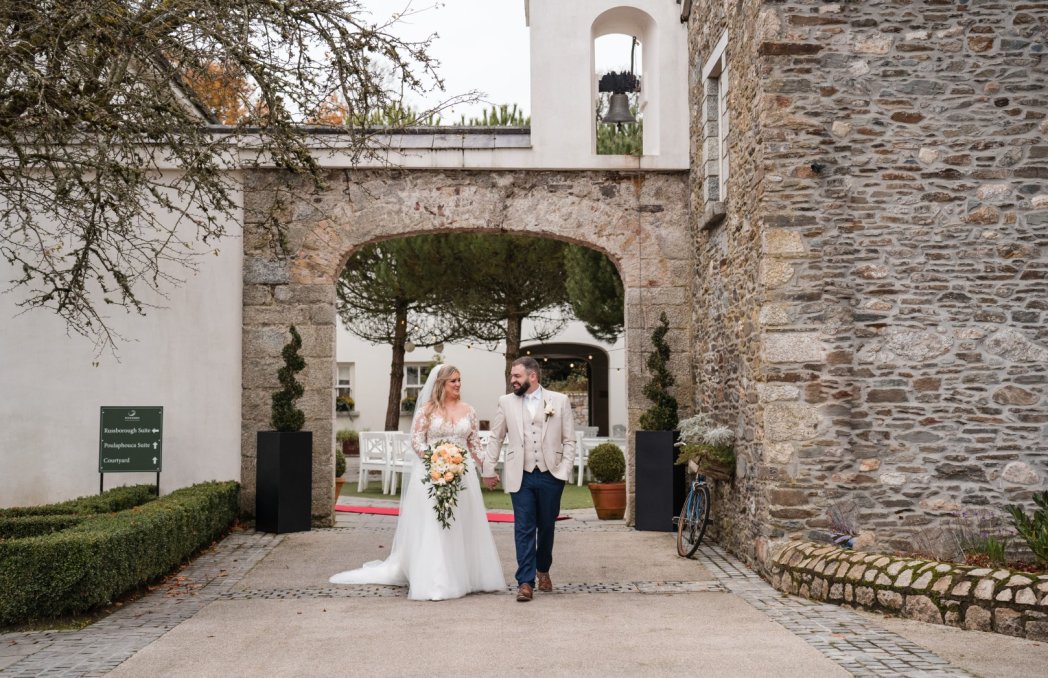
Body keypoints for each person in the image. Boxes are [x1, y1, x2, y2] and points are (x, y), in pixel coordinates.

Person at [330, 365, 504, 600]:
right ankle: (437, 580)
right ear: (441, 383)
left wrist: (488, 469)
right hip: (431, 476)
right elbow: (417, 441)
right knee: (435, 526)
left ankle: (468, 575)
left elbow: (474, 445)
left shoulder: (469, 411)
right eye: (453, 381)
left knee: (461, 524)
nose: (458, 385)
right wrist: (437, 461)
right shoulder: (426, 411)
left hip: (462, 476)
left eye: (460, 380)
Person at [481, 356, 576, 602]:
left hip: (550, 475)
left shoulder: (559, 400)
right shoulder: (506, 402)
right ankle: (525, 582)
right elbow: (496, 437)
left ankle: (543, 568)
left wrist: (563, 470)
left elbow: (569, 440)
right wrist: (488, 469)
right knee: (523, 528)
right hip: (519, 474)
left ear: (532, 376)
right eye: (512, 376)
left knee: (546, 526)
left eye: (517, 376)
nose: (512, 380)